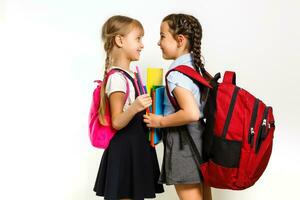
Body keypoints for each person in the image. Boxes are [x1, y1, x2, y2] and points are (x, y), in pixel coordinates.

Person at [93, 15, 164, 200]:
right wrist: (134, 107)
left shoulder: (132, 74)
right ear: (120, 40)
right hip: (125, 152)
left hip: (136, 149)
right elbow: (117, 122)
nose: (142, 45)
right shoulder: (117, 78)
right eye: (138, 38)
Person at [143, 13, 212, 200]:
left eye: (163, 36)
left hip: (184, 142)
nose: (159, 42)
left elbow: (190, 112)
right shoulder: (197, 68)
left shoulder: (176, 74)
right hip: (200, 138)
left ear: (180, 40)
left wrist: (160, 121)